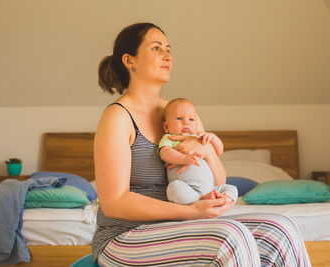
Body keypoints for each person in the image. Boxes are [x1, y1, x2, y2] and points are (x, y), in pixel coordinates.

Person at [92, 22, 311, 266]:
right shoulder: (118, 117)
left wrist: (208, 152)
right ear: (129, 60)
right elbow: (114, 202)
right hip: (125, 237)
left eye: (168, 48)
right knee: (230, 236)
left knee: (279, 229)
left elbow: (218, 179)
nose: (167, 55)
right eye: (156, 48)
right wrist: (192, 211)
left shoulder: (180, 113)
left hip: (181, 227)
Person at [159, 98, 238, 204]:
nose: (186, 122)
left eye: (191, 119)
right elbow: (164, 153)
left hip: (211, 189)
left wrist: (213, 138)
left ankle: (224, 200)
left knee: (232, 189)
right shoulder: (170, 138)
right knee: (173, 189)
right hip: (188, 189)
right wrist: (183, 159)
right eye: (179, 118)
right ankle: (199, 200)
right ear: (166, 126)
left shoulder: (200, 138)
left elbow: (219, 151)